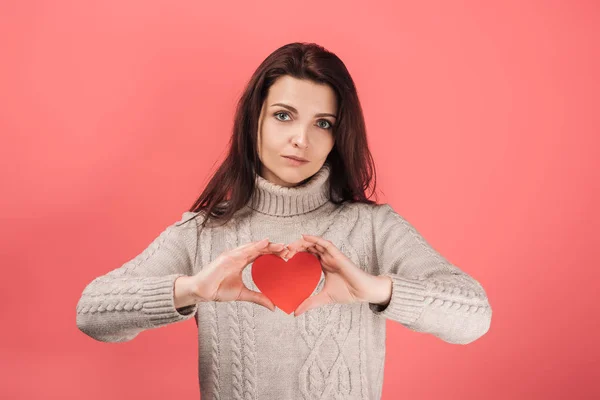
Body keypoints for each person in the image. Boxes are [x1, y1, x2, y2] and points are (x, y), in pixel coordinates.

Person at [76, 42, 492, 400]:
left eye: (323, 124)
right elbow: (93, 313)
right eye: (283, 115)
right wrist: (190, 290)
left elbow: (474, 318)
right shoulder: (203, 233)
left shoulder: (374, 229)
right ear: (253, 119)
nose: (301, 140)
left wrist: (378, 289)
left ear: (337, 137)